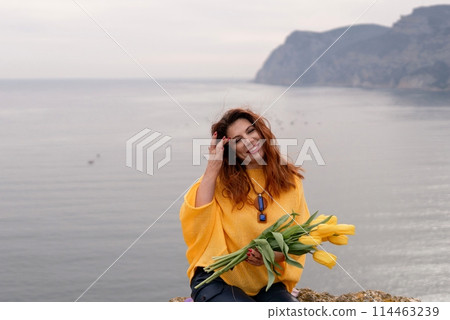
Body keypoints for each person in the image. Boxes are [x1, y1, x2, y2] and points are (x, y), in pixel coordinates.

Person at [179, 107, 310, 302]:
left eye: (251, 131)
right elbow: (197, 223)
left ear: (262, 132)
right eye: (237, 140)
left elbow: (301, 240)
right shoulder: (218, 182)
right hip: (218, 278)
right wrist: (212, 168)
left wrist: (273, 256)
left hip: (268, 283)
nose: (248, 141)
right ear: (230, 149)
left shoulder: (289, 180)